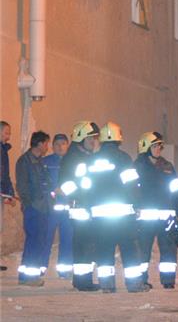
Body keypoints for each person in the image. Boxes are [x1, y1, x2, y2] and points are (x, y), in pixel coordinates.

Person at [82, 122, 148, 293]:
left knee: (104, 250)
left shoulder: (92, 160)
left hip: (100, 216)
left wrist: (89, 207)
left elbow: (87, 187)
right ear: (119, 139)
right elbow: (132, 184)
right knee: (129, 250)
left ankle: (107, 285)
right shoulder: (124, 158)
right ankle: (134, 285)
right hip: (123, 215)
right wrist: (138, 205)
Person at [134, 131, 178, 289]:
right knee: (142, 250)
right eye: (154, 146)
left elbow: (176, 190)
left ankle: (168, 280)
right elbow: (130, 190)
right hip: (144, 218)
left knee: (169, 249)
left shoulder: (168, 166)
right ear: (146, 147)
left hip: (167, 217)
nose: (158, 149)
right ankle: (141, 279)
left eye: (159, 146)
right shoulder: (138, 167)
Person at [58, 121, 101, 291]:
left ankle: (83, 280)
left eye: (95, 138)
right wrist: (82, 189)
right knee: (84, 245)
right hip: (81, 208)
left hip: (89, 207)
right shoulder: (72, 158)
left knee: (88, 245)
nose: (93, 141)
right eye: (90, 138)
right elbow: (65, 185)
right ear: (80, 138)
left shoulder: (87, 157)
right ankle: (83, 282)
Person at [15, 130, 51, 286]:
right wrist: (29, 203)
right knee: (33, 241)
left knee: (38, 241)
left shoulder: (40, 161)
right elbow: (22, 186)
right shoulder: (25, 161)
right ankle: (29, 277)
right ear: (40, 143)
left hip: (43, 207)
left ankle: (28, 275)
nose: (47, 147)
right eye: (46, 143)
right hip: (34, 208)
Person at [42, 133, 74, 278]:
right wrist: (51, 191)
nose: (60, 147)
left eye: (63, 143)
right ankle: (41, 266)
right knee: (45, 238)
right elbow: (41, 182)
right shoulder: (45, 162)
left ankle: (64, 268)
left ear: (67, 145)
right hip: (50, 209)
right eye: (57, 144)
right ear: (52, 146)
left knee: (67, 239)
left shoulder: (73, 162)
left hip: (68, 208)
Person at [1, 121, 17, 272]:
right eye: (6, 132)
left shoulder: (3, 150)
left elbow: (5, 174)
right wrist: (8, 193)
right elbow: (2, 175)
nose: (9, 136)